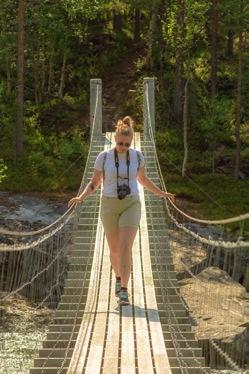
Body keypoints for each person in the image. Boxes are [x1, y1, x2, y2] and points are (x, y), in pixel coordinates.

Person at [68, 116, 175, 306]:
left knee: (125, 247)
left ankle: (124, 290)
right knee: (115, 250)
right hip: (109, 205)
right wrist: (80, 197)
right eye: (120, 143)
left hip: (131, 204)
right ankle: (118, 278)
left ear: (132, 142)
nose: (123, 147)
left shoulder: (138, 156)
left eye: (126, 144)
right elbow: (94, 183)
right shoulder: (104, 157)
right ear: (115, 139)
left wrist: (161, 193)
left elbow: (142, 180)